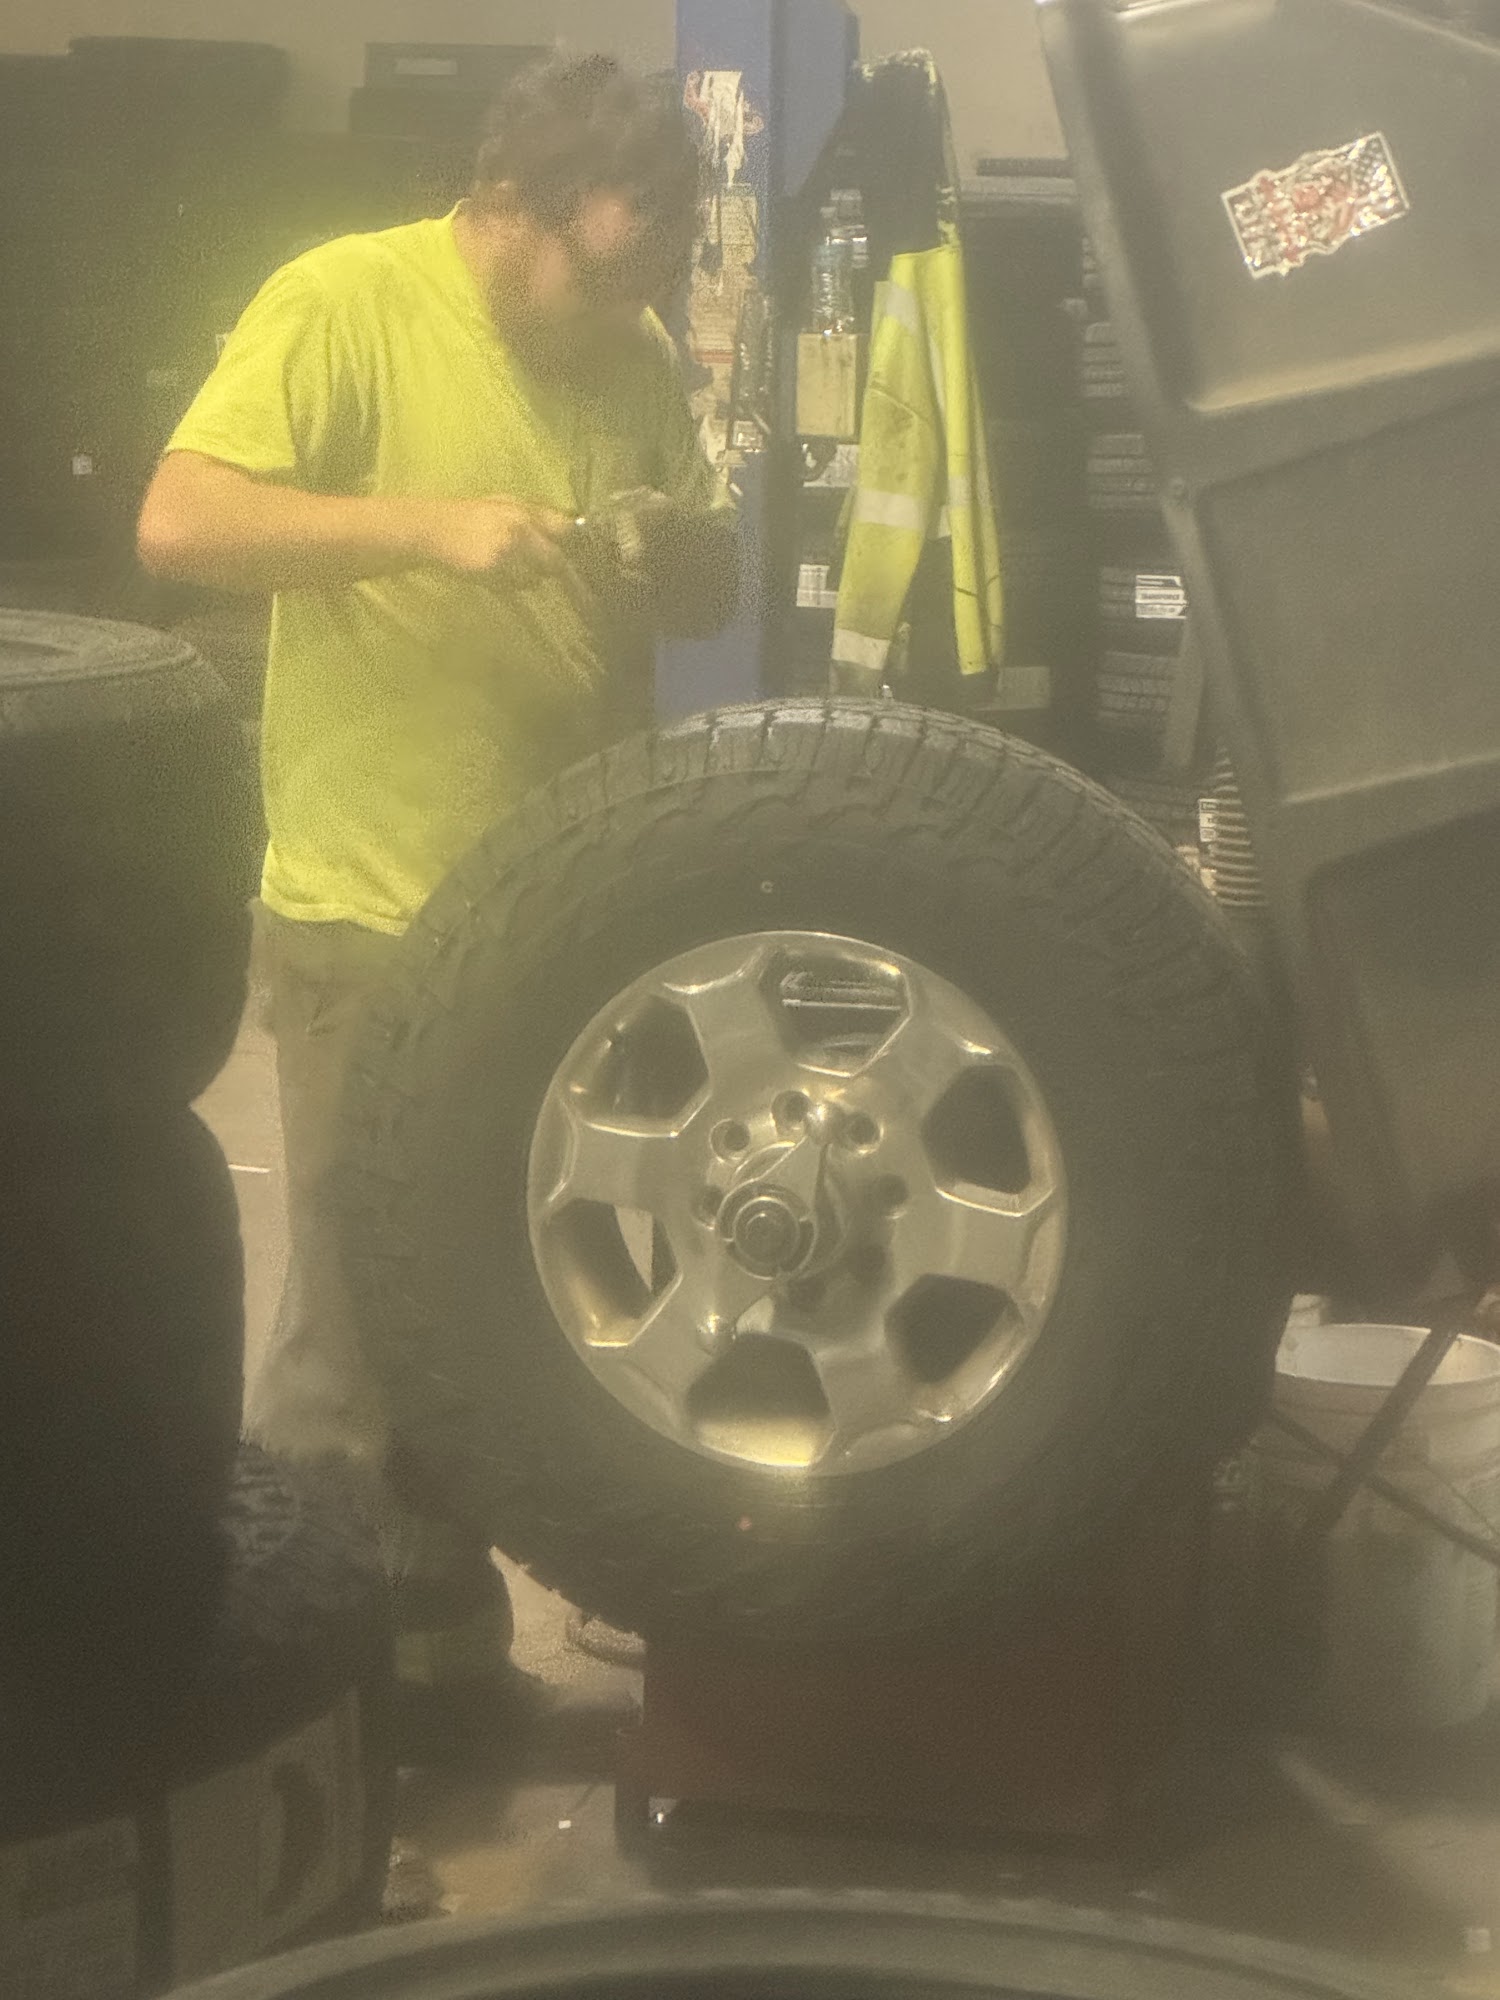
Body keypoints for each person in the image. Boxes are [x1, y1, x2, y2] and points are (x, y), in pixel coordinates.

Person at [137, 53, 737, 1731]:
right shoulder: (346, 301)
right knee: (354, 1331)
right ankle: (294, 1714)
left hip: (557, 923)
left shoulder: (631, 355)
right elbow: (181, 524)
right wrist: (429, 531)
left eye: (656, 271)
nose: (629, 305)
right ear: (508, 207)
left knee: (495, 1311)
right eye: (607, 268)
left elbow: (708, 584)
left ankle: (437, 1665)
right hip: (373, 910)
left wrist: (685, 553)